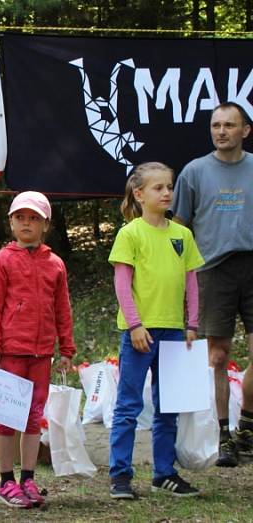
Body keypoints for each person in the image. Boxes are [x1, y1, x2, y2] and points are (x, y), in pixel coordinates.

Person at [108, 162, 204, 499]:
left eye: (169, 186)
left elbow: (192, 282)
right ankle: (120, 475)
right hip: (140, 334)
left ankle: (164, 472)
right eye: (158, 188)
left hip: (175, 334)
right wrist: (135, 324)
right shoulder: (130, 233)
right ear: (139, 194)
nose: (166, 193)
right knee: (128, 406)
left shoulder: (183, 234)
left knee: (169, 408)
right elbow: (122, 283)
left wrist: (192, 323)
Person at [171, 102, 253, 468]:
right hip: (211, 271)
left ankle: (247, 426)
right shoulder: (194, 172)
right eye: (216, 125)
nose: (221, 131)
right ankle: (223, 436)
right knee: (217, 355)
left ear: (245, 131)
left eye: (229, 125)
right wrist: (181, 274)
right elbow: (179, 229)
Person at [0, 191, 75, 509]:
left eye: (33, 218)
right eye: (20, 217)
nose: (26, 223)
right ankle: (6, 481)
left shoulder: (55, 265)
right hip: (10, 353)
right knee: (7, 419)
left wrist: (66, 348)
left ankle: (28, 479)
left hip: (41, 355)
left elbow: (62, 309)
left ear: (45, 225)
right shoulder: (3, 261)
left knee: (34, 418)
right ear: (10, 222)